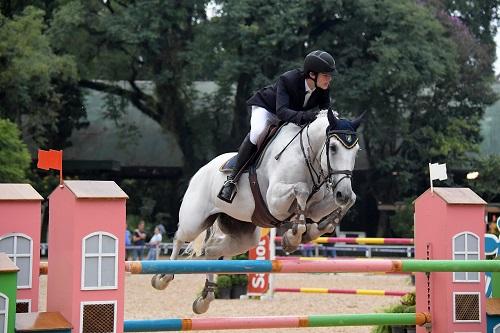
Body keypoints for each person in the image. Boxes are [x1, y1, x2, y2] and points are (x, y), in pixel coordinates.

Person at [218, 50, 336, 203]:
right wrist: (306, 116)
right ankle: (232, 180)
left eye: (330, 76)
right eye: (326, 75)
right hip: (267, 109)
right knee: (257, 133)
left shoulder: (323, 88)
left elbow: (325, 112)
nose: (329, 79)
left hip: (292, 114)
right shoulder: (288, 79)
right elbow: (281, 111)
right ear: (312, 74)